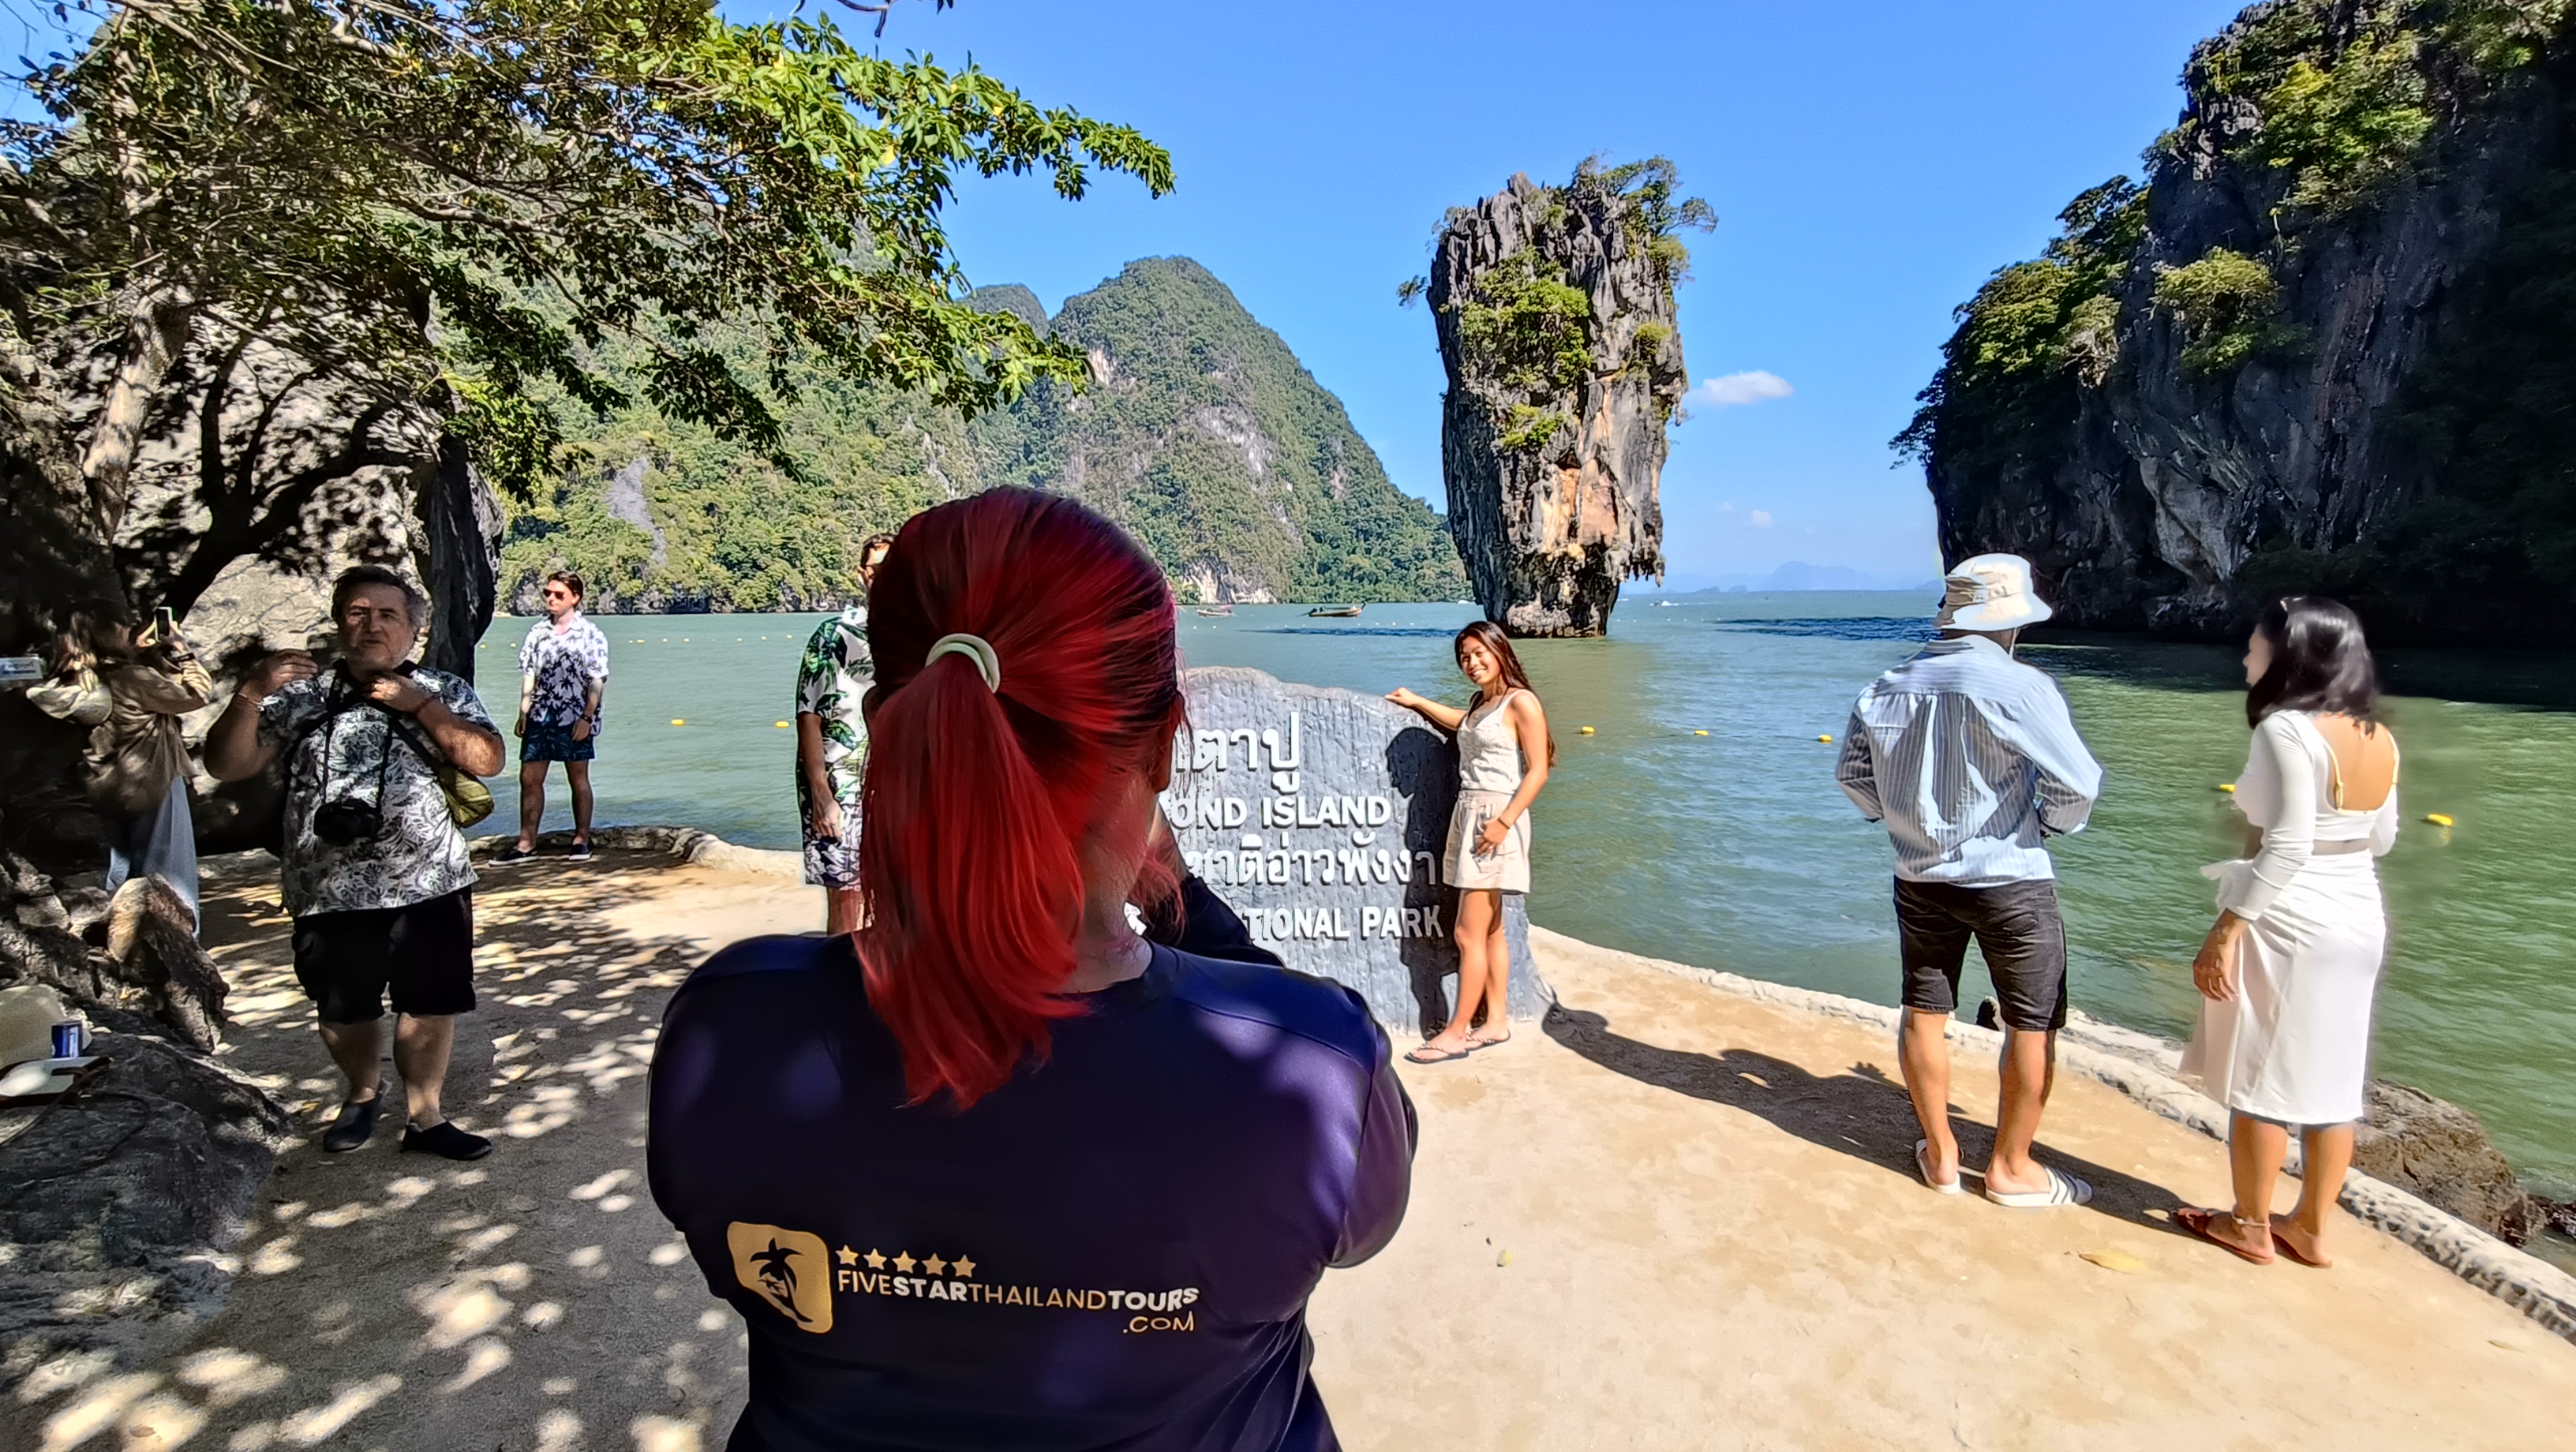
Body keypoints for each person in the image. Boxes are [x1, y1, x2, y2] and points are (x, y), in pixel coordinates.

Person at [650, 489, 1413, 1452]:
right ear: (1165, 743)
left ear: (887, 722)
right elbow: (1362, 1225)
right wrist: (1188, 901)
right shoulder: (1310, 1071)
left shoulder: (730, 1033)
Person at [204, 565, 507, 1160]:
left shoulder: (444, 690)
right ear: (340, 622)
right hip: (327, 885)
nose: (371, 626)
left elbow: (488, 759)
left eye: (388, 615)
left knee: (430, 1002)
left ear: (414, 631)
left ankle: (425, 1117)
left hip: (430, 881)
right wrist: (251, 692)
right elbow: (227, 766)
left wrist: (420, 705)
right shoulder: (302, 695)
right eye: (358, 612)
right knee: (344, 1007)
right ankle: (363, 1094)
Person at [1836, 553, 2104, 1208]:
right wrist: (2048, 825)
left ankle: (1942, 1153)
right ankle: (2011, 1169)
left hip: (1920, 878)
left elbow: (1853, 778)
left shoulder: (1887, 685)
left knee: (1925, 1014)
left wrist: (1899, 817)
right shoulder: (2022, 686)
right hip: (2012, 879)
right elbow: (2079, 784)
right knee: (2030, 1023)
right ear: (2008, 622)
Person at [2174, 597, 2400, 1269]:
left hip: (2294, 917)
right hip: (2359, 910)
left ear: (2291, 655)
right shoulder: (2377, 735)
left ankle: (2248, 1223)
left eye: (2255, 647)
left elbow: (2290, 844)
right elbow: (2381, 837)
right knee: (2333, 1079)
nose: (2246, 656)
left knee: (2263, 1071)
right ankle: (2311, 1228)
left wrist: (2228, 926)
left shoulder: (2286, 730)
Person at [1386, 621, 1552, 1064]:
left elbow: (1538, 769)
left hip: (1495, 818)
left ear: (1500, 652)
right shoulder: (1483, 704)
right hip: (1470, 812)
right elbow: (1465, 725)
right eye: (1465, 657)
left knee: (1467, 931)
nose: (1472, 663)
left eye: (1480, 654)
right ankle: (1495, 1021)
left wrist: (1504, 822)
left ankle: (1457, 1031)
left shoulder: (1522, 702)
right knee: (1492, 928)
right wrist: (1418, 702)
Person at [32, 603, 213, 926]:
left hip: (108, 785)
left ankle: (121, 938)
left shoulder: (83, 678)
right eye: (124, 625)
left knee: (124, 869)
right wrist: (183, 653)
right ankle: (179, 940)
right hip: (153, 779)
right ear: (107, 635)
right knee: (170, 869)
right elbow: (195, 695)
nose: (134, 628)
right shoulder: (132, 677)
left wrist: (151, 654)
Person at [794, 531, 896, 935]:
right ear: (862, 574)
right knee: (846, 895)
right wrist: (821, 794)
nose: (886, 578)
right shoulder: (834, 636)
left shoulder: (915, 640)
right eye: (878, 569)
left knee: (893, 894)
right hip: (842, 785)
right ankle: (840, 989)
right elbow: (808, 715)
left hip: (896, 788)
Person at [494, 571, 609, 865]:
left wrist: (587, 717)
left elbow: (596, 680)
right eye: (548, 593)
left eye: (559, 595)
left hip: (574, 715)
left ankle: (581, 838)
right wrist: (523, 711)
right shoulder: (537, 633)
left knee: (578, 777)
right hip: (540, 714)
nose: (551, 599)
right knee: (529, 778)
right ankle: (526, 842)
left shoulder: (590, 634)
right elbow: (529, 673)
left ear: (575, 598)